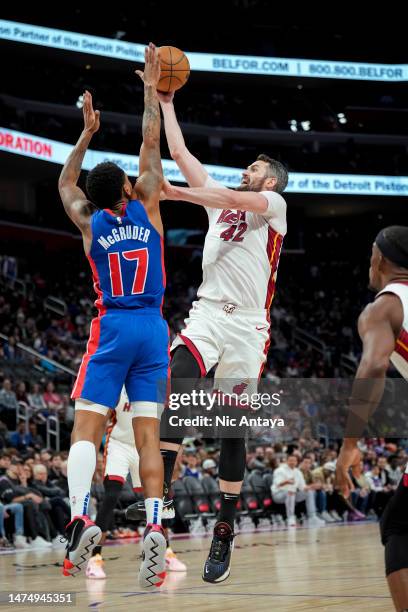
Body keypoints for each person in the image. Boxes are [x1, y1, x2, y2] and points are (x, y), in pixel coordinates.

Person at [129, 87, 288, 584]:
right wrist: (167, 101)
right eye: (250, 166)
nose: (249, 169)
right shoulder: (220, 207)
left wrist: (176, 193)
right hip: (208, 316)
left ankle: (224, 527)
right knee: (175, 384)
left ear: (272, 180)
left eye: (256, 166)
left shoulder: (272, 205)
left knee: (230, 429)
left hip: (247, 327)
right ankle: (164, 497)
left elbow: (228, 196)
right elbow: (181, 154)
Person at [57, 43, 169, 588]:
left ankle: (81, 519)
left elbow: (64, 184)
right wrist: (150, 86)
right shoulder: (147, 201)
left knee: (87, 427)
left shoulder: (89, 223)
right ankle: (153, 525)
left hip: (113, 325)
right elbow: (151, 140)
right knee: (146, 434)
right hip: (153, 328)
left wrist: (86, 132)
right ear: (127, 189)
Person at [335, 226, 408, 611]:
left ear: (379, 258)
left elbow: (373, 366)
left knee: (398, 527)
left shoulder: (384, 306)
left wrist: (349, 445)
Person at [86, 389, 186, 579]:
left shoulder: (153, 383)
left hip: (146, 445)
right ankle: (94, 557)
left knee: (157, 498)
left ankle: (165, 552)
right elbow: (100, 419)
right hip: (118, 445)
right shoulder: (118, 384)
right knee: (111, 496)